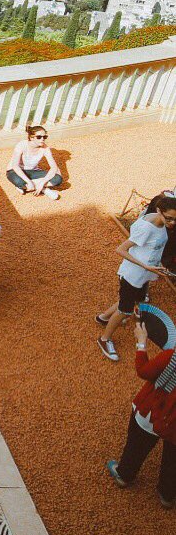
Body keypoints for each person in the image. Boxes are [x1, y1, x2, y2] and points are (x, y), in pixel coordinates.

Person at [105, 320, 176, 508]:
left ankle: (125, 475)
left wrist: (141, 342)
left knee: (136, 446)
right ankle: (167, 494)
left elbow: (144, 371)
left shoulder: (171, 356)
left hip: (152, 411)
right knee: (173, 459)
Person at [97, 194, 176, 361]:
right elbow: (121, 250)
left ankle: (103, 317)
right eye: (169, 218)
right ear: (159, 211)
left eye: (175, 219)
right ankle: (104, 339)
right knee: (125, 309)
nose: (172, 223)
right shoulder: (147, 228)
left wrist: (156, 266)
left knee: (133, 300)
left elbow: (152, 249)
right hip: (133, 274)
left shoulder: (160, 222)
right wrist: (146, 266)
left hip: (144, 274)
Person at [6, 125, 63, 200]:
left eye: (44, 137)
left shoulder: (45, 148)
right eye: (39, 137)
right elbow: (15, 166)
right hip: (15, 171)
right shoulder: (22, 145)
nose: (42, 139)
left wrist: (42, 183)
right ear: (31, 138)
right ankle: (44, 189)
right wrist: (29, 182)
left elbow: (54, 168)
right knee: (18, 181)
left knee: (58, 179)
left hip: (33, 171)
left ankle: (29, 187)